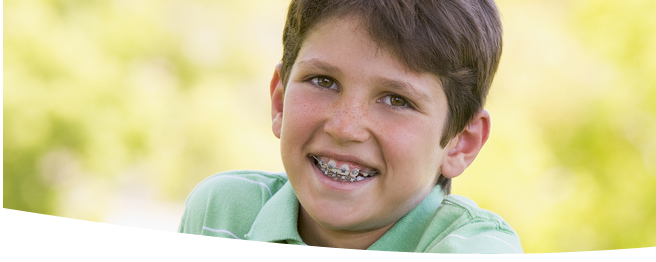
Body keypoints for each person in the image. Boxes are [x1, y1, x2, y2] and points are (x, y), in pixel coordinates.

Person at [172, 0, 523, 255]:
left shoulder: (476, 250)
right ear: (280, 101)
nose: (345, 127)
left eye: (396, 100)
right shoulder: (219, 215)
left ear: (462, 142)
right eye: (323, 81)